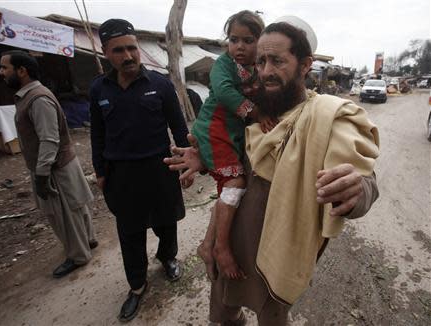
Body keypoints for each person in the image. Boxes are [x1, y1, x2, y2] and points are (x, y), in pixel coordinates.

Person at [165, 19, 380, 325]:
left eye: (277, 61)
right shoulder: (256, 111)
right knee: (225, 312)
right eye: (261, 61)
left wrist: (358, 189)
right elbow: (236, 159)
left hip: (279, 253)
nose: (265, 71)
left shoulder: (326, 116)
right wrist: (204, 159)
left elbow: (363, 177)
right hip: (231, 243)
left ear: (305, 65)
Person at [89, 19, 190, 322]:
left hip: (159, 169)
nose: (129, 55)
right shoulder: (99, 88)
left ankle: (168, 258)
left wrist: (186, 164)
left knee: (166, 221)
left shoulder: (159, 84)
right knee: (129, 232)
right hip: (121, 175)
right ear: (106, 52)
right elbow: (97, 134)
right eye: (119, 50)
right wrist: (100, 170)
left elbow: (179, 129)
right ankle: (137, 286)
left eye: (132, 47)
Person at [0, 50, 97, 279]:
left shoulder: (38, 99)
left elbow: (49, 139)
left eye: (5, 67)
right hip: (61, 163)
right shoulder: (33, 96)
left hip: (54, 168)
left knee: (64, 214)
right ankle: (88, 240)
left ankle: (79, 256)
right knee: (76, 206)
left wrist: (42, 175)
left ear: (22, 71)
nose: (1, 72)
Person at [192, 10, 271, 281]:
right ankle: (220, 248)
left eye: (248, 40)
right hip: (215, 131)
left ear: (261, 42)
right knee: (234, 184)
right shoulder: (223, 64)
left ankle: (207, 244)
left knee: (231, 189)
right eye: (233, 39)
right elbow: (225, 92)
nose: (239, 46)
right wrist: (256, 112)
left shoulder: (259, 68)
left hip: (231, 135)